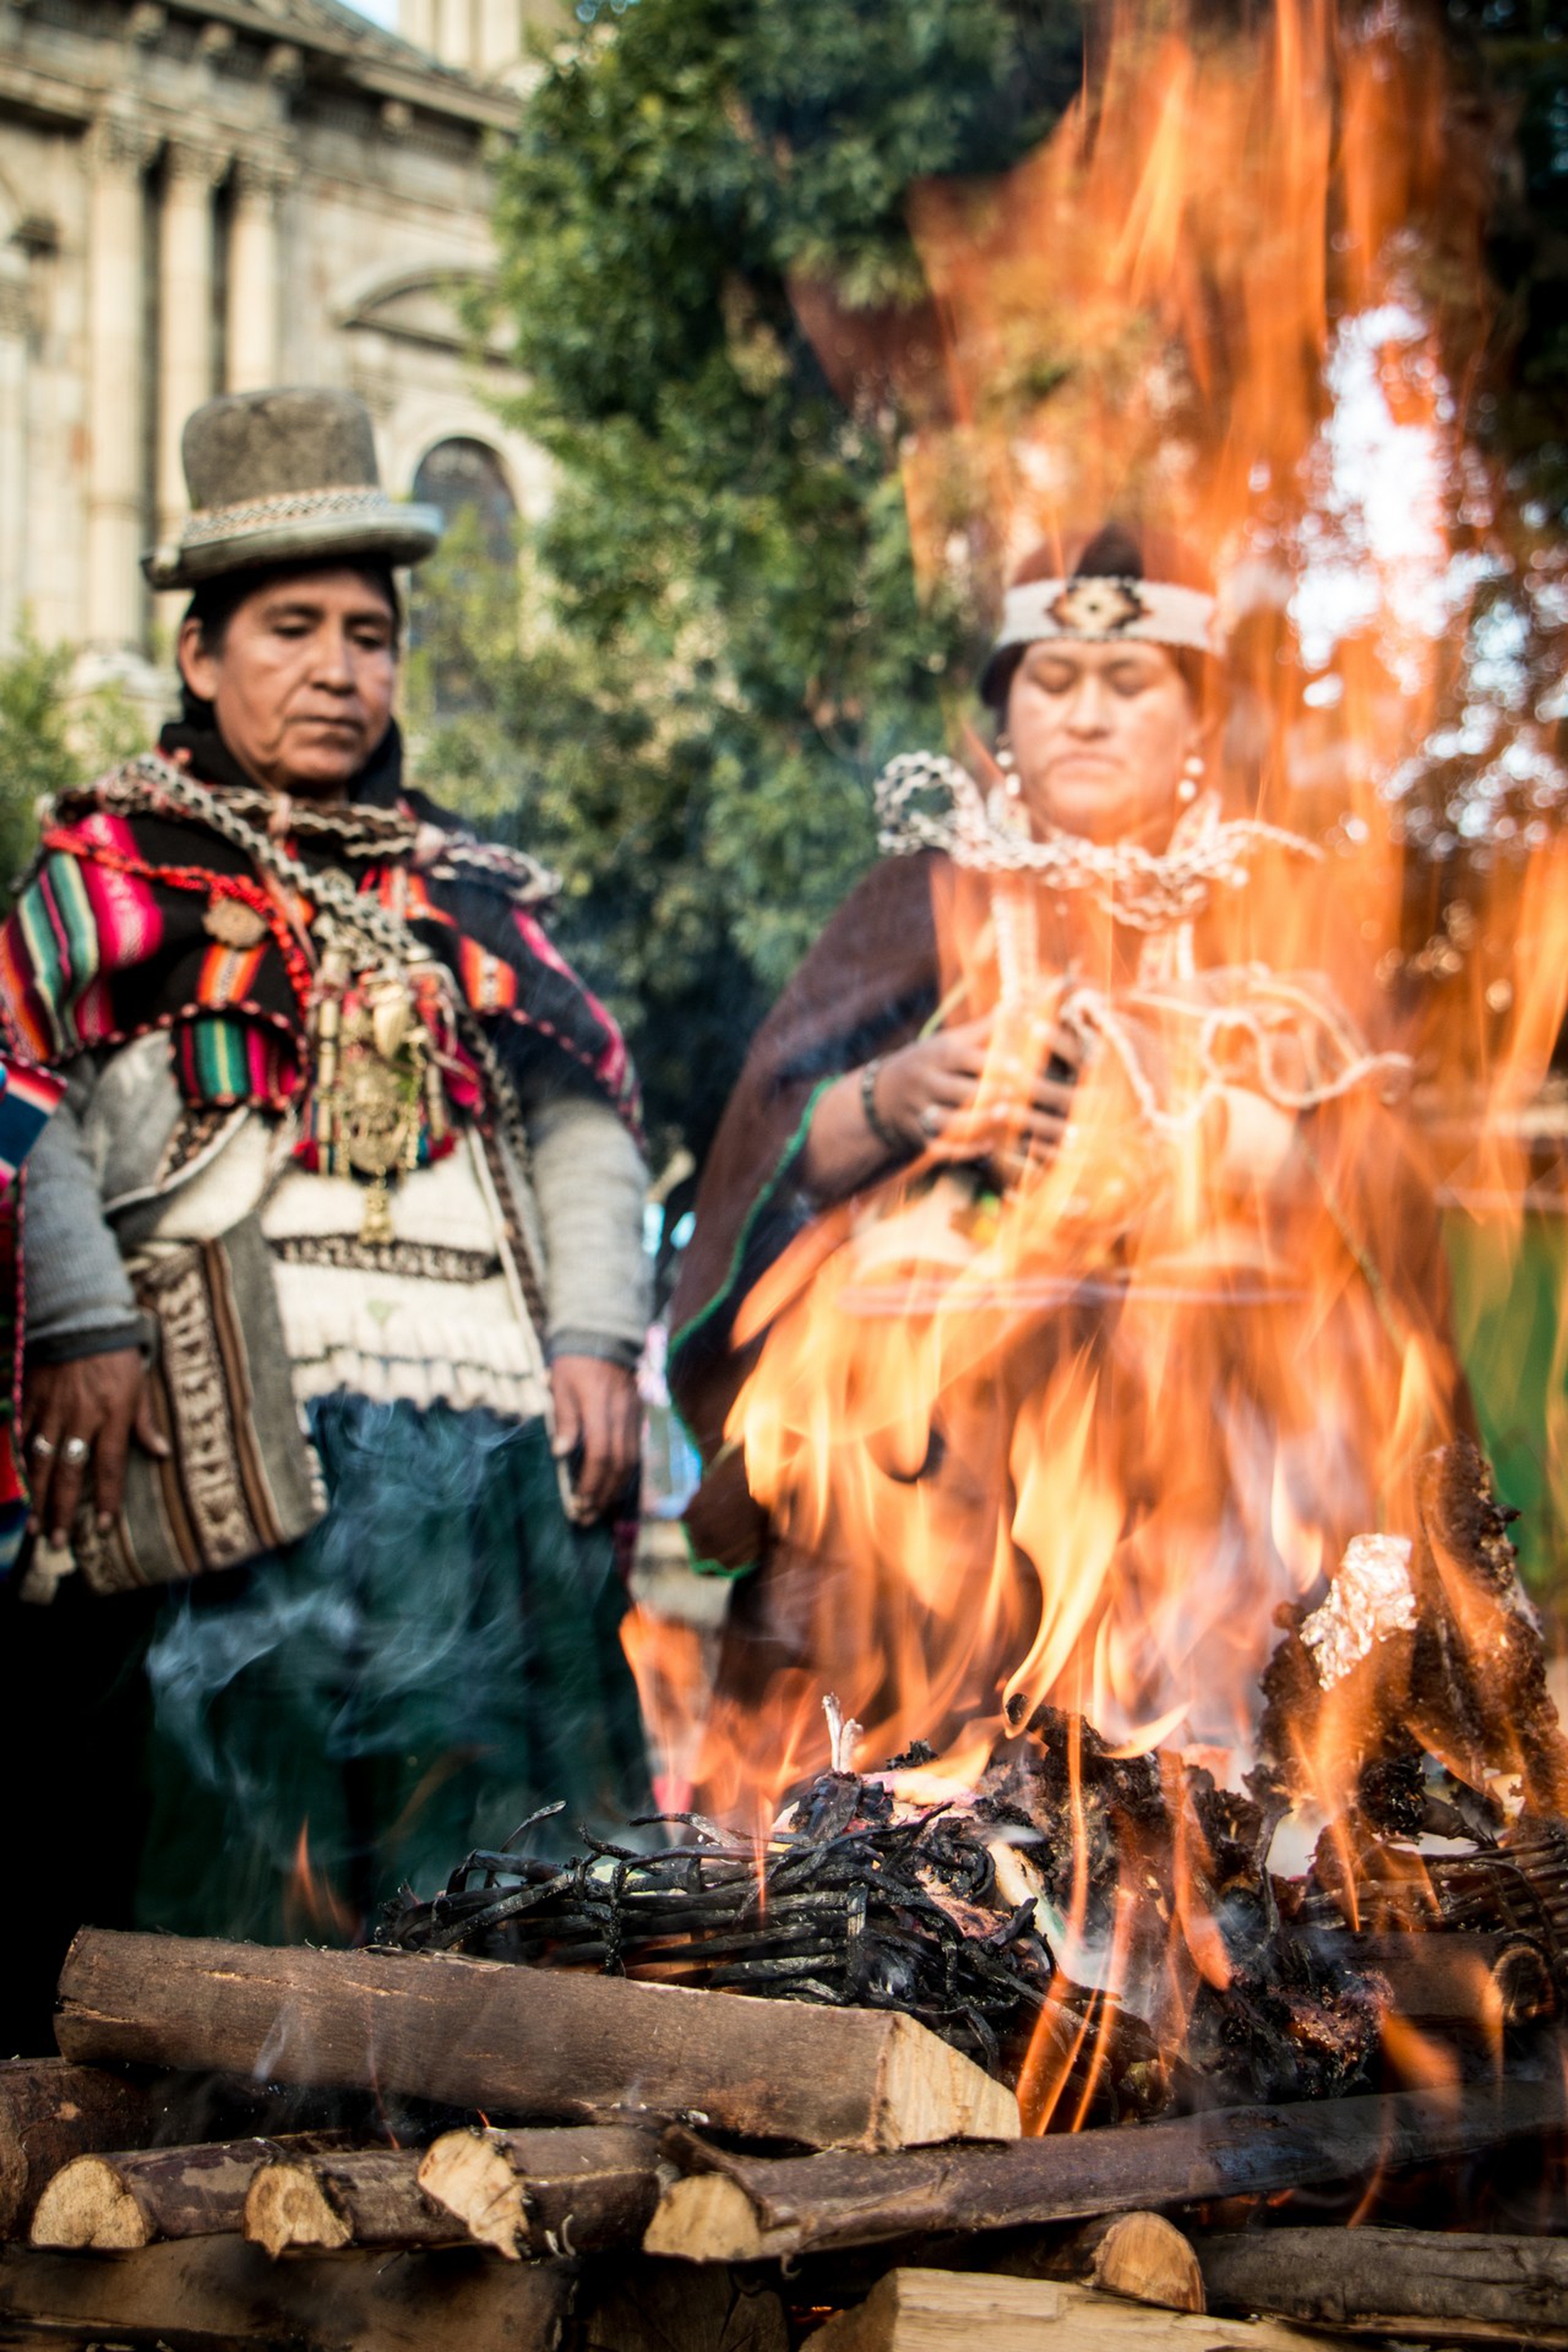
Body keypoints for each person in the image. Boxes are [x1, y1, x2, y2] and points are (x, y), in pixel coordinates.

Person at [2, 388, 651, 2035]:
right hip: (215, 1447)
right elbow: (21, 1092)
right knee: (222, 1826)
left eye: (371, 633)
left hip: (480, 1450)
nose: (341, 667)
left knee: (492, 1828)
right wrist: (77, 1321)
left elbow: (583, 1119)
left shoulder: (470, 895)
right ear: (203, 653)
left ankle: (508, 2145)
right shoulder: (109, 869)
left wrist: (590, 1335)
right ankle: (196, 2180)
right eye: (292, 627)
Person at [668, 523, 1466, 1799]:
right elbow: (767, 1151)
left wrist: (1229, 1141)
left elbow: (1384, 1214)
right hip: (927, 1472)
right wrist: (893, 1096)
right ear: (1001, 720)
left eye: (1129, 680)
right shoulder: (910, 901)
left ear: (1199, 719)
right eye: (1051, 681)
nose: (1085, 713)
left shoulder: (1285, 918)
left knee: (1200, 1825)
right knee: (910, 1826)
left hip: (1220, 1468)